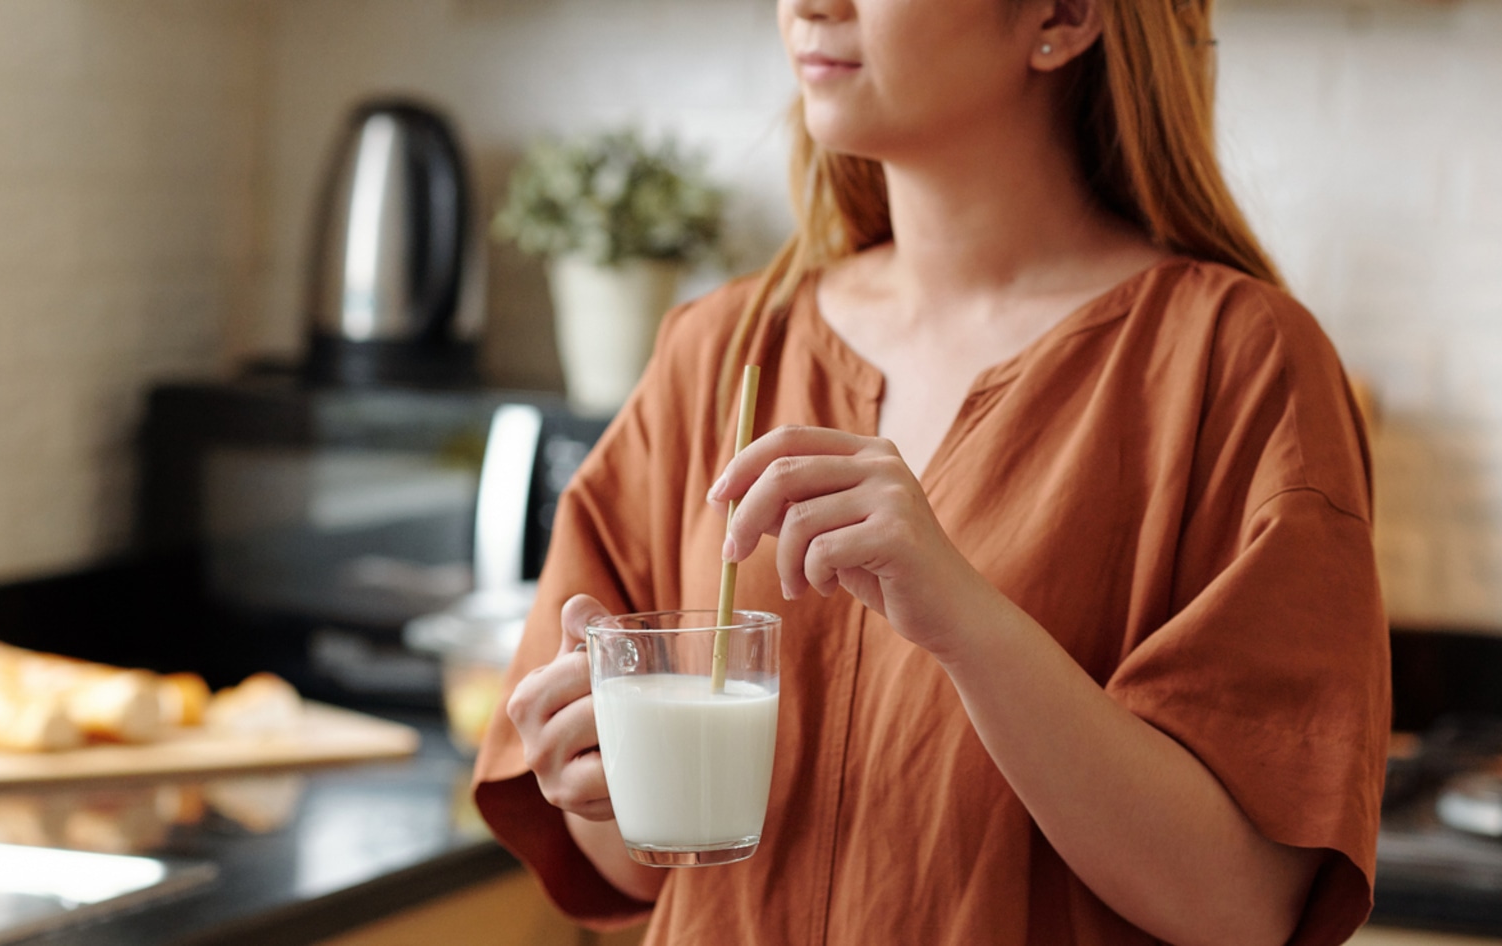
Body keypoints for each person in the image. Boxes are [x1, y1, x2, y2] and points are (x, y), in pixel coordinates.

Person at [475, 0, 1391, 942]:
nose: (807, 6)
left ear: (1065, 17)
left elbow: (1244, 910)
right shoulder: (718, 351)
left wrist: (967, 622)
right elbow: (637, 869)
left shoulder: (1240, 365)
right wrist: (588, 773)